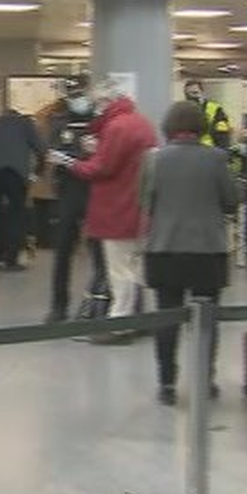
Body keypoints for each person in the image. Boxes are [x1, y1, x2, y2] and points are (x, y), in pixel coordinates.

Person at [142, 101, 241, 405]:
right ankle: (204, 380)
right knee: (206, 319)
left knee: (167, 317)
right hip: (207, 250)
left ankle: (167, 384)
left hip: (164, 248)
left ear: (168, 127)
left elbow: (144, 201)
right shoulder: (216, 159)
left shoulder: (153, 160)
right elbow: (232, 201)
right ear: (202, 127)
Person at [51, 80, 158, 341]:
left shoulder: (117, 126)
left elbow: (101, 169)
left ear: (108, 101)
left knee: (119, 271)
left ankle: (119, 325)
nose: (96, 108)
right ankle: (143, 319)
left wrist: (69, 162)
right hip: (140, 207)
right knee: (138, 269)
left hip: (116, 208)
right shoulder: (141, 122)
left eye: (99, 102)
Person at [46, 74, 108, 323]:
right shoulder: (59, 121)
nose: (77, 99)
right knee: (62, 251)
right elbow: (53, 151)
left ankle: (99, 301)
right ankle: (58, 305)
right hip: (69, 191)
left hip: (95, 191)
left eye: (81, 93)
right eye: (73, 95)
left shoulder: (100, 121)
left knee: (100, 251)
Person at [0, 100, 46, 272]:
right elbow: (41, 150)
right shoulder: (25, 123)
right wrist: (36, 173)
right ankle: (11, 260)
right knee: (16, 216)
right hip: (14, 174)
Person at [182, 79, 233, 149]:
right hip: (188, 150)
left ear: (203, 93)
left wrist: (222, 154)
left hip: (208, 151)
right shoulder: (182, 110)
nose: (191, 97)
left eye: (195, 93)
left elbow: (222, 134)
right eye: (188, 94)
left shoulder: (215, 109)